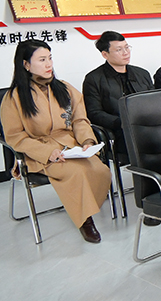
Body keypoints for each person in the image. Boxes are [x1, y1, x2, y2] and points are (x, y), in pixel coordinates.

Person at [1, 40, 111, 243]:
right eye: (42, 60)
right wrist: (46, 153)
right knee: (76, 173)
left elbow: (79, 120)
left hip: (70, 146)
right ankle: (85, 221)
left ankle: (84, 205)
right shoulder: (13, 98)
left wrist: (87, 140)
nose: (49, 64)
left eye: (50, 58)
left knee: (101, 170)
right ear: (26, 64)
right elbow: (15, 137)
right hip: (39, 152)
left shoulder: (65, 88)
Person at [83, 31, 154, 163]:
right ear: (105, 54)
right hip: (120, 131)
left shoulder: (142, 74)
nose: (126, 53)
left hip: (149, 126)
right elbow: (94, 113)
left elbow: (154, 102)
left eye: (127, 47)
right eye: (119, 50)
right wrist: (122, 122)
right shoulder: (94, 79)